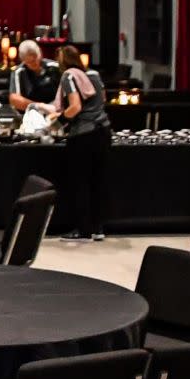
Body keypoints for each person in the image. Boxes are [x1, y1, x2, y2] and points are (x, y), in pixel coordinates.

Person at [43, 44, 114, 240]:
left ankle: (83, 230)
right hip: (104, 131)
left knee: (80, 182)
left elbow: (75, 106)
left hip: (84, 134)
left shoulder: (69, 76)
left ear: (63, 61)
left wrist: (58, 122)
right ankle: (98, 228)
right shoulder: (94, 75)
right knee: (98, 180)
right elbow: (103, 98)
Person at [6, 40, 58, 112]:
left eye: (36, 58)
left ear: (40, 54)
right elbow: (14, 99)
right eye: (31, 62)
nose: (36, 63)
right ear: (23, 60)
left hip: (56, 110)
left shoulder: (55, 67)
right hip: (32, 112)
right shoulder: (19, 72)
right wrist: (40, 106)